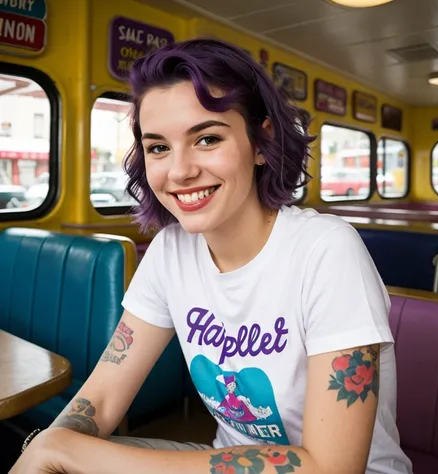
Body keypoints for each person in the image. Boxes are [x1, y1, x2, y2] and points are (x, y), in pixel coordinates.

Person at [10, 38, 413, 474]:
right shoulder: (170, 251)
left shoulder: (327, 250)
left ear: (261, 143)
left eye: (206, 138)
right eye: (158, 147)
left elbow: (331, 468)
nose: (180, 171)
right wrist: (52, 447)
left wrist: (66, 452)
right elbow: (102, 398)